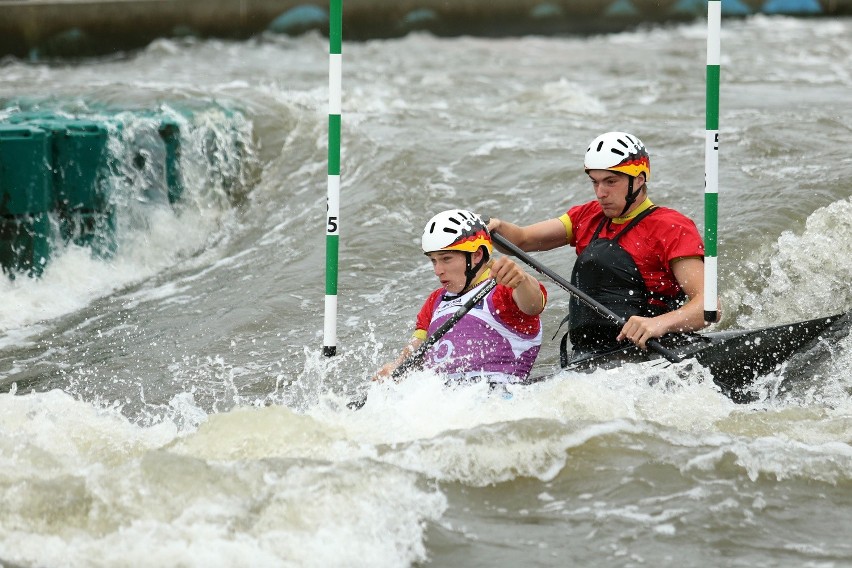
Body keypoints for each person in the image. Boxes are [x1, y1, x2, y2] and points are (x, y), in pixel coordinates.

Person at [487, 131, 718, 365]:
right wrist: (493, 227)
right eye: (595, 182)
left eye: (610, 181)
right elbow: (523, 239)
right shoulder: (587, 216)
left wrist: (659, 323)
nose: (601, 193)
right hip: (590, 359)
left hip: (655, 353)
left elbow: (709, 307)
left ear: (638, 179)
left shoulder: (671, 227)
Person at [375, 209, 548, 386]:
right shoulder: (435, 300)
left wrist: (522, 279)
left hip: (496, 396)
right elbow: (416, 349)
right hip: (442, 399)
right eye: (433, 260)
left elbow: (534, 305)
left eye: (446, 259)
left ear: (476, 255)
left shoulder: (505, 287)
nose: (437, 270)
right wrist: (396, 367)